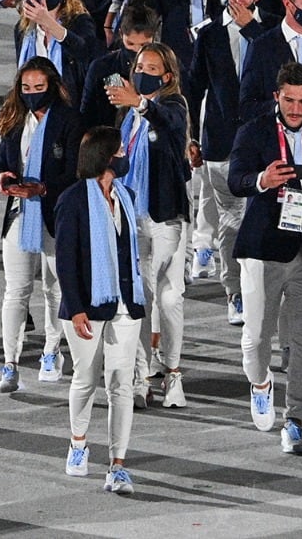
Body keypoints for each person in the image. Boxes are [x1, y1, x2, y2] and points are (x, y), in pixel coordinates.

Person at [227, 62, 302, 453]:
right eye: (289, 100)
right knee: (256, 338)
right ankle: (261, 383)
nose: (296, 109)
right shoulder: (254, 131)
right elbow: (235, 179)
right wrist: (262, 180)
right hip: (262, 247)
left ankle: (294, 418)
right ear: (276, 96)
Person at [54, 126, 147, 494]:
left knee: (121, 384)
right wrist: (76, 308)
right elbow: (65, 261)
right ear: (105, 157)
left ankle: (118, 465)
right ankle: (78, 443)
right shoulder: (73, 200)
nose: (124, 157)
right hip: (86, 308)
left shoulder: (125, 196)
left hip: (124, 304)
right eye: (120, 152)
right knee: (86, 379)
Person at [105, 42, 191, 409]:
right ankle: (141, 376)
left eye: (152, 69)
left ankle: (173, 373)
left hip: (165, 216)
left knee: (168, 298)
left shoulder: (174, 106)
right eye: (140, 66)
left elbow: (169, 124)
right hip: (131, 214)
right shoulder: (126, 115)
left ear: (167, 77)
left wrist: (140, 103)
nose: (142, 72)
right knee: (142, 296)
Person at [0, 58, 84, 393]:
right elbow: (2, 162)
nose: (31, 94)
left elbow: (75, 172)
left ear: (53, 87)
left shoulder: (70, 121)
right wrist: (3, 177)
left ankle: (51, 350)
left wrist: (43, 188)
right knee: (16, 290)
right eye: (26, 88)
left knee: (54, 287)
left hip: (55, 215)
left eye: (39, 88)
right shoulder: (15, 119)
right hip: (20, 213)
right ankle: (10, 363)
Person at [189, 0, 267, 322]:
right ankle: (235, 292)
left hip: (264, 142)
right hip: (221, 142)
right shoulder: (209, 34)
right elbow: (194, 89)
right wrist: (191, 137)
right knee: (231, 219)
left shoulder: (270, 32)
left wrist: (252, 29)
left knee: (263, 219)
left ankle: (263, 289)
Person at [13, 0, 99, 110]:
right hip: (33, 106)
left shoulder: (80, 22)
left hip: (70, 108)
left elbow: (84, 51)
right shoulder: (23, 30)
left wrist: (49, 22)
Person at [82, 1, 161, 130]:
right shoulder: (102, 68)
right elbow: (86, 115)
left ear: (154, 37)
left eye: (144, 45)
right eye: (130, 44)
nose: (136, 50)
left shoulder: (167, 68)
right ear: (120, 34)